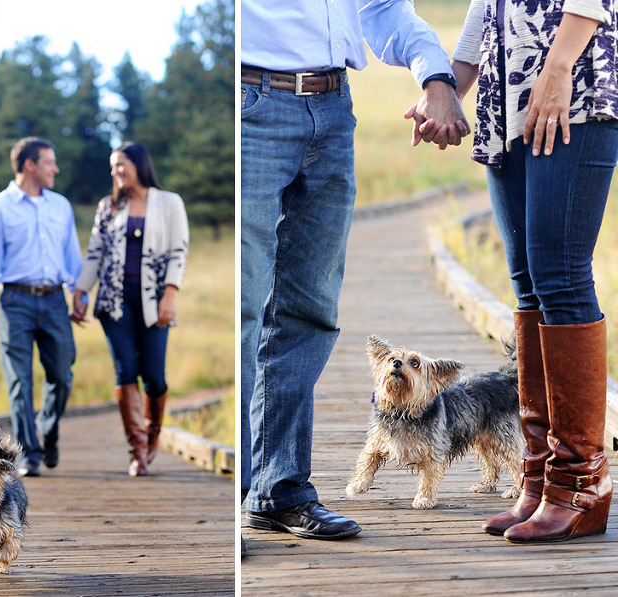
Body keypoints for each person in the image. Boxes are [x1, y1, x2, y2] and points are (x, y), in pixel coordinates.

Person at [240, 0, 470, 550]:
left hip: (333, 110)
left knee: (310, 310)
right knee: (242, 309)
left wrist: (437, 78)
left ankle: (280, 490)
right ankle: (239, 499)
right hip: (248, 104)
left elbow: (385, 8)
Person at [447, 0, 618, 543]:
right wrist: (451, 86)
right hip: (508, 93)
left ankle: (580, 483)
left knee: (561, 276)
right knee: (526, 281)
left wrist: (559, 66)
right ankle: (543, 471)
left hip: (571, 87)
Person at [72, 142, 189, 477]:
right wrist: (81, 291)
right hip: (113, 301)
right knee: (125, 371)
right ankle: (136, 450)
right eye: (112, 166)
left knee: (153, 376)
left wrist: (171, 293)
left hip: (154, 301)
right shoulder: (108, 206)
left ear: (139, 164)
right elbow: (95, 253)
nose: (116, 172)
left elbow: (179, 250)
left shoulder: (169, 202)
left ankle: (152, 437)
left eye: (121, 164)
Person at [0, 136, 82, 477]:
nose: (56, 169)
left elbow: (71, 256)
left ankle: (47, 430)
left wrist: (79, 294)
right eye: (50, 162)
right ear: (30, 165)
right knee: (19, 381)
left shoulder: (60, 205)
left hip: (54, 300)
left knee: (62, 375)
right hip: (14, 302)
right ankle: (30, 452)